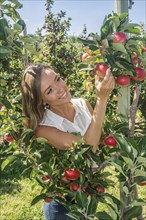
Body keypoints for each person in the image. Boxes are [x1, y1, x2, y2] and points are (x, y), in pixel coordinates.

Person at [21, 63, 115, 220]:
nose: (59, 88)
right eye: (49, 90)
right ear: (42, 100)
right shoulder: (43, 129)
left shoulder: (83, 104)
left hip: (89, 194)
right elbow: (87, 149)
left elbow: (98, 137)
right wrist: (102, 98)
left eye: (57, 79)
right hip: (63, 206)